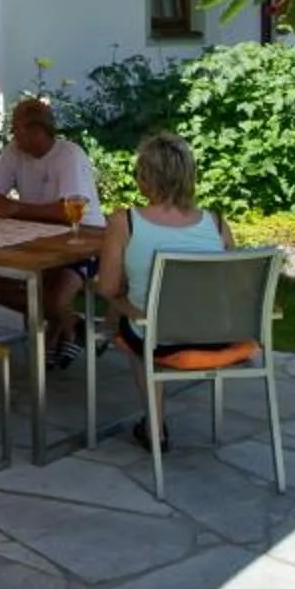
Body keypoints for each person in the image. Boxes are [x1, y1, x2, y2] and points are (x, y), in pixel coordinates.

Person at [95, 131, 234, 450]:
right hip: (216, 335)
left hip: (159, 338)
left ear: (146, 178)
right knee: (142, 318)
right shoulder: (216, 223)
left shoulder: (125, 222)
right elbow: (229, 283)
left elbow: (107, 287)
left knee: (138, 324)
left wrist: (124, 304)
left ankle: (155, 428)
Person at [0, 94, 105, 368]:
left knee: (55, 296)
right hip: (38, 237)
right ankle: (71, 324)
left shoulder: (68, 154)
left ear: (36, 130)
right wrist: (9, 207)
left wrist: (15, 209)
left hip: (84, 239)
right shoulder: (15, 150)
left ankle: (59, 331)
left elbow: (69, 210)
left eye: (16, 127)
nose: (11, 133)